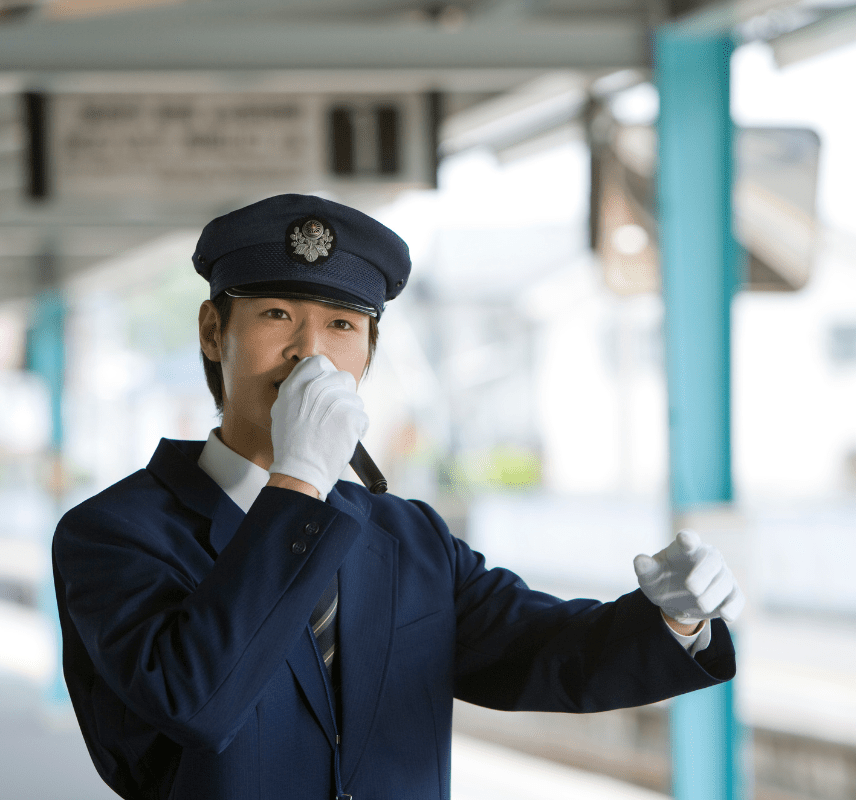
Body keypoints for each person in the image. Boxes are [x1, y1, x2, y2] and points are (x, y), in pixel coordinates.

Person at [52, 193, 744, 800]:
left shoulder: (408, 538)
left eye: (342, 326)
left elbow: (546, 652)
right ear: (212, 331)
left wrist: (675, 620)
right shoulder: (112, 535)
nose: (309, 353)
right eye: (275, 314)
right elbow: (196, 701)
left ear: (370, 354)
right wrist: (296, 482)